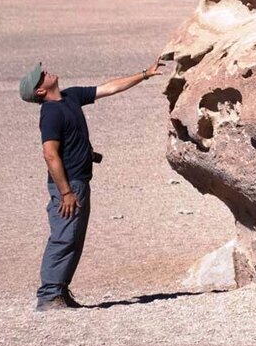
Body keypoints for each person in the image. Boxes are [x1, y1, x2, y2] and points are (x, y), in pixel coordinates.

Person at [17, 58, 165, 311]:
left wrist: (145, 74)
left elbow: (109, 88)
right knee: (64, 238)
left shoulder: (70, 96)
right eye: (40, 76)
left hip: (79, 181)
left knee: (74, 238)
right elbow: (50, 154)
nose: (45, 72)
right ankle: (49, 296)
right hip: (69, 185)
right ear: (40, 91)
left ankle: (60, 292)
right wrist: (65, 192)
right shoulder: (51, 113)